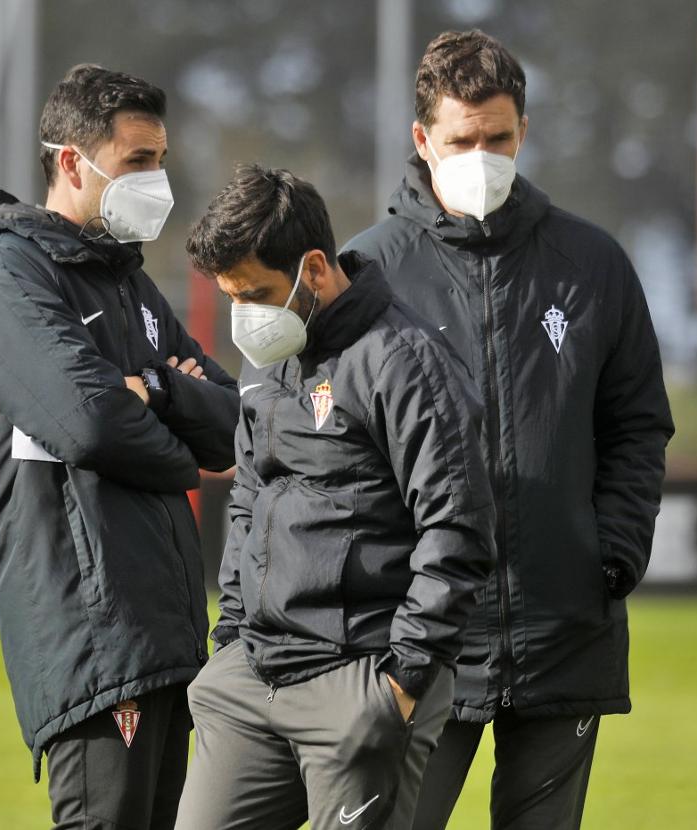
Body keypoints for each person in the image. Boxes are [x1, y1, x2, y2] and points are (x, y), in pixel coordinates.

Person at [344, 30, 675, 830]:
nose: (482, 155)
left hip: (563, 624)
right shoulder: (366, 273)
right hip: (420, 637)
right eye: (462, 141)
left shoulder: (593, 264)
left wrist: (613, 552)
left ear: (523, 130)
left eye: (498, 137)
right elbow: (333, 450)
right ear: (423, 141)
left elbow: (637, 423)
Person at [0, 64, 239, 829]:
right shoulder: (4, 275)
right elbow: (91, 424)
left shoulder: (125, 282)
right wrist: (182, 460)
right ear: (71, 161)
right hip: (93, 632)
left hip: (162, 624)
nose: (156, 181)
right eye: (138, 161)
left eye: (160, 162)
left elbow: (230, 419)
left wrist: (158, 392)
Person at [172, 164, 495, 830]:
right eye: (234, 298)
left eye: (258, 294)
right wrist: (231, 634)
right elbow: (249, 498)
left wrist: (400, 683)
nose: (246, 319)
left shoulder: (405, 363)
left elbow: (457, 529)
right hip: (252, 675)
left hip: (361, 678)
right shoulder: (269, 360)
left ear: (314, 269)